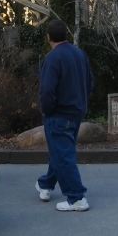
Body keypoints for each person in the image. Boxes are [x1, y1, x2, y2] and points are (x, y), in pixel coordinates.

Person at [36, 20, 94, 212]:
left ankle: (76, 197)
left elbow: (47, 90)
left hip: (59, 113)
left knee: (62, 155)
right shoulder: (79, 54)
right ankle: (46, 184)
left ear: (49, 37)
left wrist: (47, 109)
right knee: (60, 150)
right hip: (76, 111)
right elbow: (90, 82)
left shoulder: (53, 57)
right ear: (66, 34)